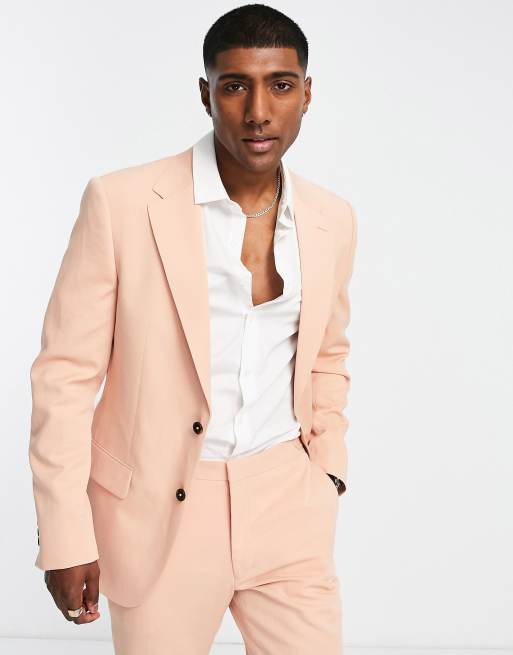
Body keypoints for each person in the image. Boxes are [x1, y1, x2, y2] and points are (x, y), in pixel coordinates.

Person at [28, 4, 358, 653]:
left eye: (280, 85)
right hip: (160, 511)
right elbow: (64, 377)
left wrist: (328, 469)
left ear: (306, 93)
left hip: (287, 502)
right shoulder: (122, 202)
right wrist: (65, 532)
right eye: (235, 86)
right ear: (206, 94)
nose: (258, 111)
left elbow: (327, 354)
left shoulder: (331, 218)